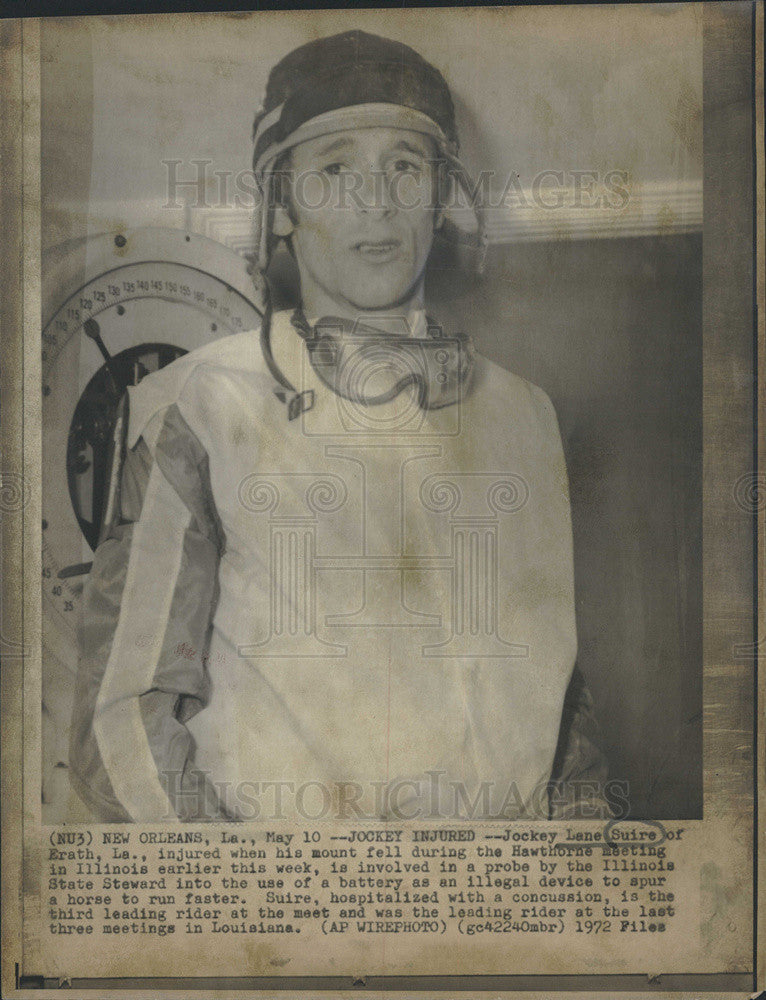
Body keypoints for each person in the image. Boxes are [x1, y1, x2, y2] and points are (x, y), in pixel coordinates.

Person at [69, 29, 609, 823]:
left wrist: (576, 863)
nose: (377, 202)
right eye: (334, 171)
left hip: (491, 911)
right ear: (283, 206)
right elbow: (119, 725)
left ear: (440, 194)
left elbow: (559, 707)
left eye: (405, 166)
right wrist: (265, 900)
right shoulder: (201, 403)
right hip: (294, 909)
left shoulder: (526, 414)